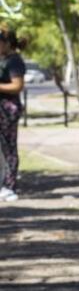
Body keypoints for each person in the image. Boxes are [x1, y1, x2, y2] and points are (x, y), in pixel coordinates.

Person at [0, 25, 26, 202]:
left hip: (8, 109)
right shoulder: (3, 60)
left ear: (7, 43)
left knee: (8, 148)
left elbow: (17, 85)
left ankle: (9, 186)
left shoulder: (14, 61)